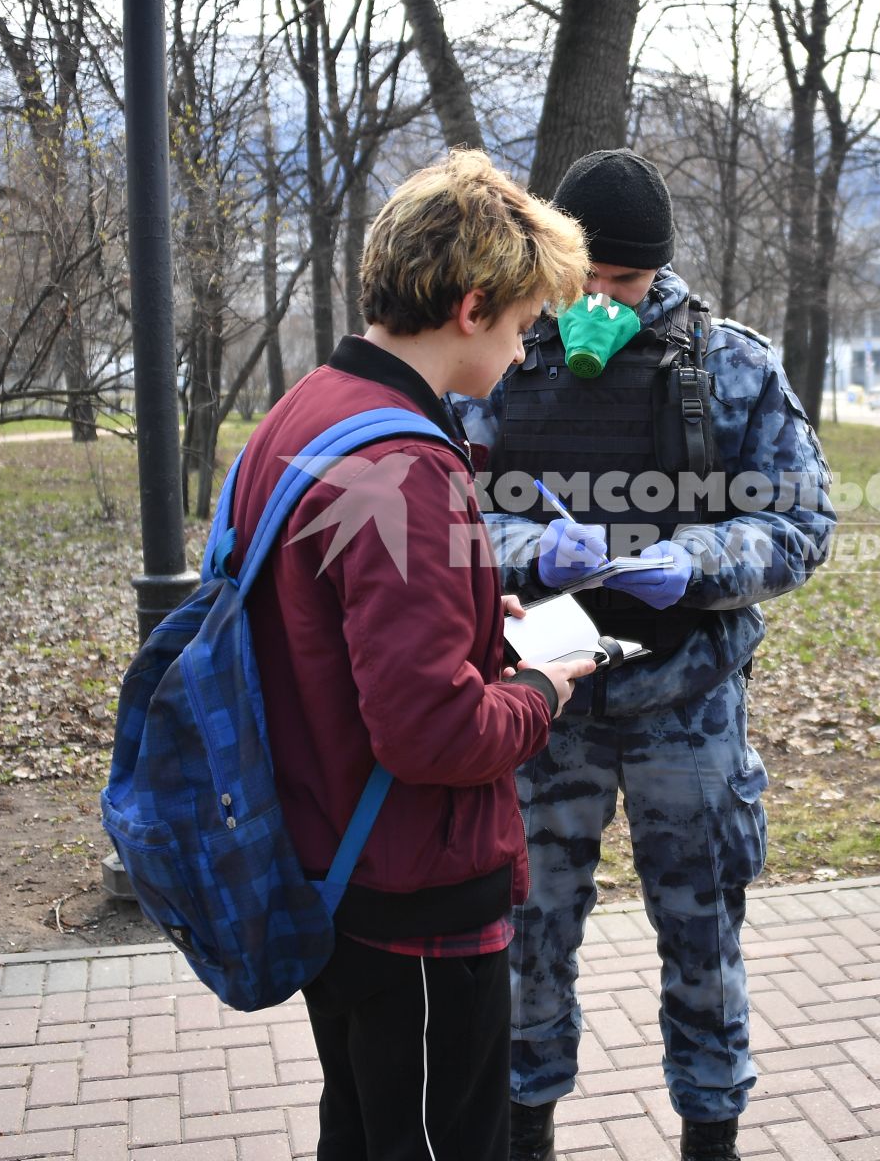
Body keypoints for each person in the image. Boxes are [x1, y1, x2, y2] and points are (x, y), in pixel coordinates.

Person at [452, 149, 835, 1161]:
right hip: (543, 704)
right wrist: (534, 547)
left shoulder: (730, 364)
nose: (603, 308)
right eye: (586, 286)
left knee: (703, 933)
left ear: (657, 272)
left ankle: (712, 1134)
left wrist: (701, 558)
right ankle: (523, 1125)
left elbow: (803, 522)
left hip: (688, 700)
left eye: (626, 287)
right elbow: (435, 514)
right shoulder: (498, 354)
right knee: (527, 939)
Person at [233, 150, 597, 1161]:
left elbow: (325, 620)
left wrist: (478, 614)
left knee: (361, 1130)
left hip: (331, 861)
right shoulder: (406, 467)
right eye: (526, 322)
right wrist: (536, 686)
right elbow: (434, 728)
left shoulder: (312, 412)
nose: (528, 350)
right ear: (474, 305)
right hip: (414, 895)